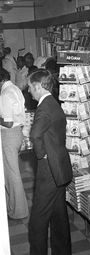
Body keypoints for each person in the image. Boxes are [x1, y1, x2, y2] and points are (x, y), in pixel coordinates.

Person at [28, 69, 72, 255]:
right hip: (60, 167)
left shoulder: (43, 108)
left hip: (48, 170)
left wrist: (41, 155)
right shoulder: (53, 102)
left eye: (30, 87)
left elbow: (35, 134)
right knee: (59, 216)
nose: (29, 90)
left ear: (38, 86)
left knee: (37, 222)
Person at [0, 68, 28, 219]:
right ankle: (14, 207)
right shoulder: (15, 88)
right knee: (12, 173)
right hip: (17, 134)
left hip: (8, 134)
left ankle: (17, 211)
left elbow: (8, 123)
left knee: (12, 174)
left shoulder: (4, 94)